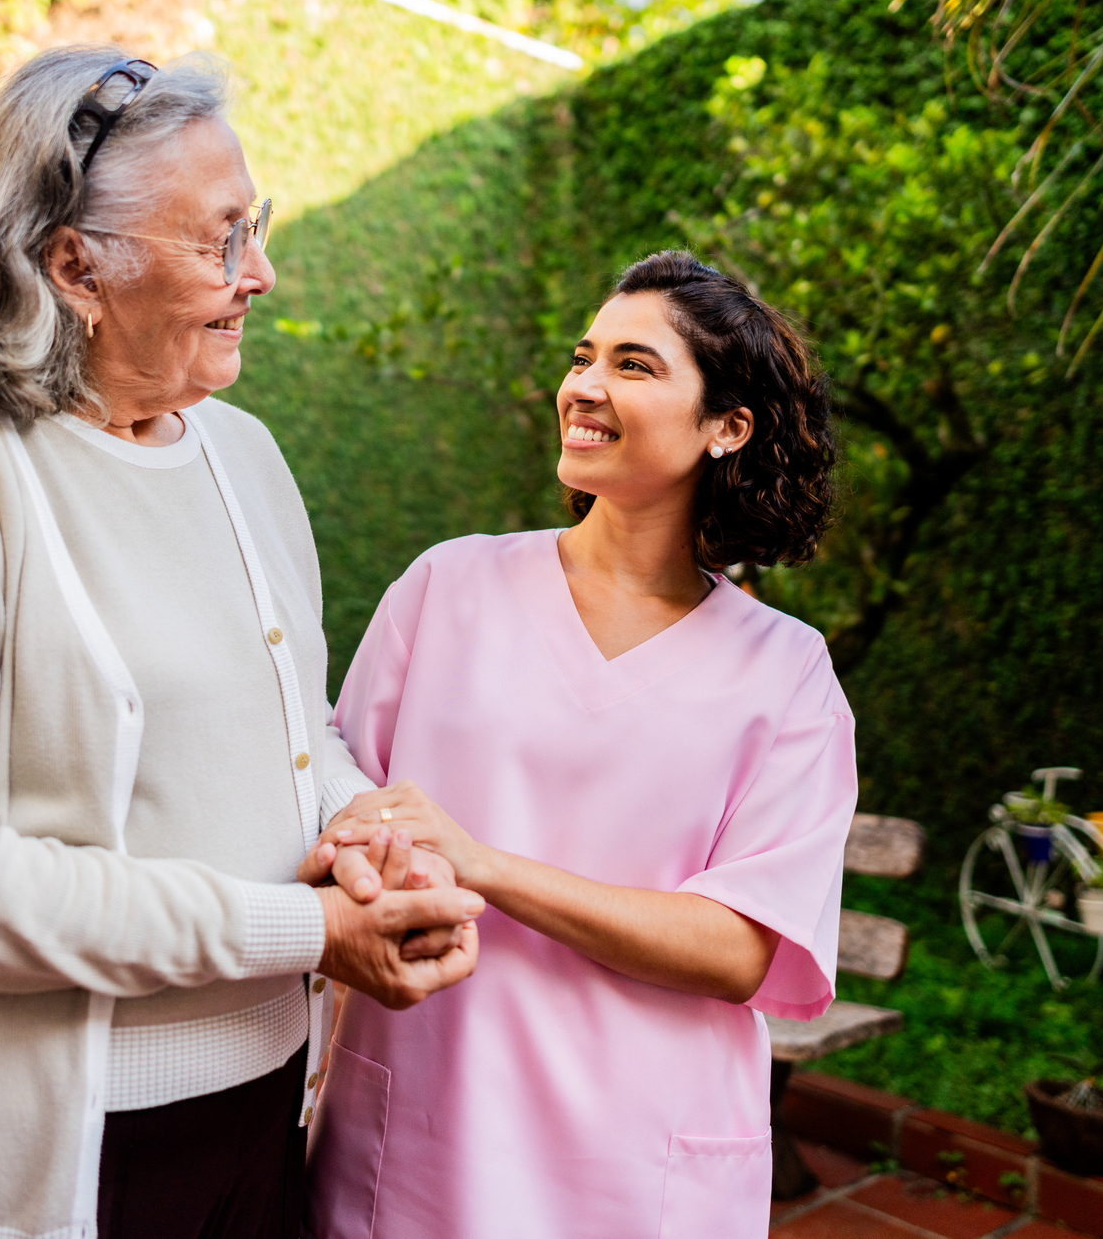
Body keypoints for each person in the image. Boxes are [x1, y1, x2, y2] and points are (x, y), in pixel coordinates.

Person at [0, 46, 482, 1239]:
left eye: (252, 226)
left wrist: (366, 827)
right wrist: (309, 931)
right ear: (76, 266)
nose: (260, 272)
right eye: (220, 238)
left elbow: (282, 732)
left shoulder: (245, 454)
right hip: (64, 1152)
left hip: (267, 1107)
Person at [301, 250, 858, 1239]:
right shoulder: (447, 587)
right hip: (428, 1116)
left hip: (639, 1156)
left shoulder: (787, 673)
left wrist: (485, 866)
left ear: (728, 427)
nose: (584, 386)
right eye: (583, 356)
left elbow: (739, 947)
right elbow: (342, 801)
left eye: (635, 365)